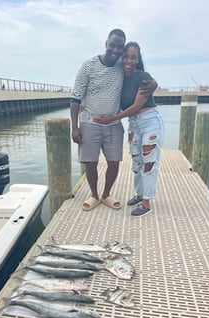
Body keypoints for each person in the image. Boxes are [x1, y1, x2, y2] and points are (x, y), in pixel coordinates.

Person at [70, 30, 156, 212]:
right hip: (90, 122)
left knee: (114, 162)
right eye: (113, 45)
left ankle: (106, 194)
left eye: (120, 46)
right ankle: (94, 195)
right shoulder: (88, 66)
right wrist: (74, 127)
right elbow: (75, 97)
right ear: (106, 43)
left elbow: (140, 74)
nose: (116, 50)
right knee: (90, 162)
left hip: (114, 125)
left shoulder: (122, 65)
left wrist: (154, 83)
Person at [94, 41, 164, 217]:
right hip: (133, 124)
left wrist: (111, 119)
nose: (129, 61)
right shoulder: (119, 79)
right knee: (137, 162)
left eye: (134, 57)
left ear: (138, 59)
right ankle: (139, 195)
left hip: (150, 121)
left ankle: (147, 203)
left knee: (149, 162)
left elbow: (136, 106)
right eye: (126, 56)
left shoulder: (143, 76)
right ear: (121, 57)